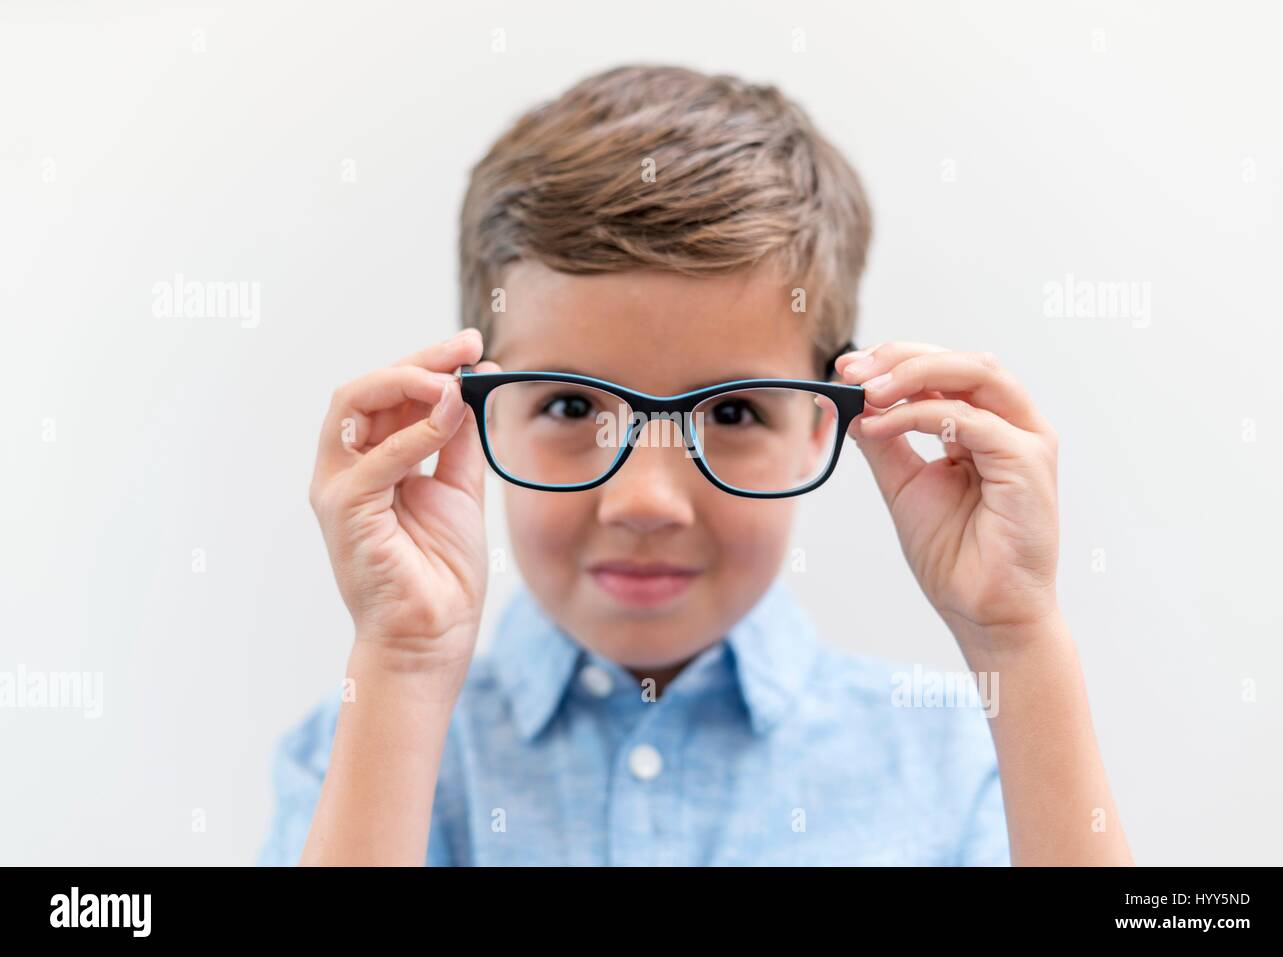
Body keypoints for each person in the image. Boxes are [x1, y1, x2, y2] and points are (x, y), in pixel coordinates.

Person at [257, 65, 1131, 866]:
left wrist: (1015, 639)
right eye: (572, 407)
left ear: (827, 423)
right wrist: (403, 663)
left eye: (733, 412)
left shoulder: (954, 764)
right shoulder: (368, 752)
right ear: (466, 411)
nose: (645, 500)